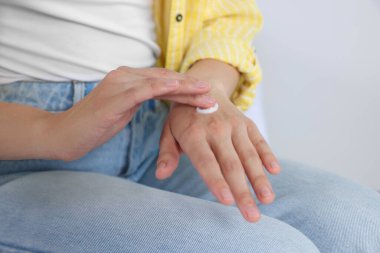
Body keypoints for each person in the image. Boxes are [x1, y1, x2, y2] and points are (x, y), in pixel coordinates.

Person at [0, 0, 379, 252]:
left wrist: (202, 94)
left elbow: (225, 15)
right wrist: (53, 130)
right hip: (21, 151)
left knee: (362, 224)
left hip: (156, 130)